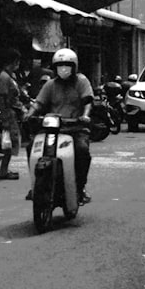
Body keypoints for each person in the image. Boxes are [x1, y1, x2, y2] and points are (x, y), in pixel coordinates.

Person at [30, 48, 94, 204]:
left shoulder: (81, 82)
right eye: (60, 65)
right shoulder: (50, 85)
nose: (63, 69)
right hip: (53, 128)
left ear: (74, 67)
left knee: (82, 150)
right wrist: (30, 113)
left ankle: (80, 187)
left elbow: (88, 101)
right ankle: (35, 185)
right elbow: (39, 103)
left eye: (67, 65)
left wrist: (85, 116)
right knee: (31, 147)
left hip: (76, 128)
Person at [0, 48, 25, 180]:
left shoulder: (10, 76)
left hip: (13, 112)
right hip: (8, 113)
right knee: (8, 143)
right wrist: (5, 117)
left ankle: (4, 169)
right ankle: (3, 171)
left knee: (10, 142)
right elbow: (2, 97)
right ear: (13, 61)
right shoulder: (4, 77)